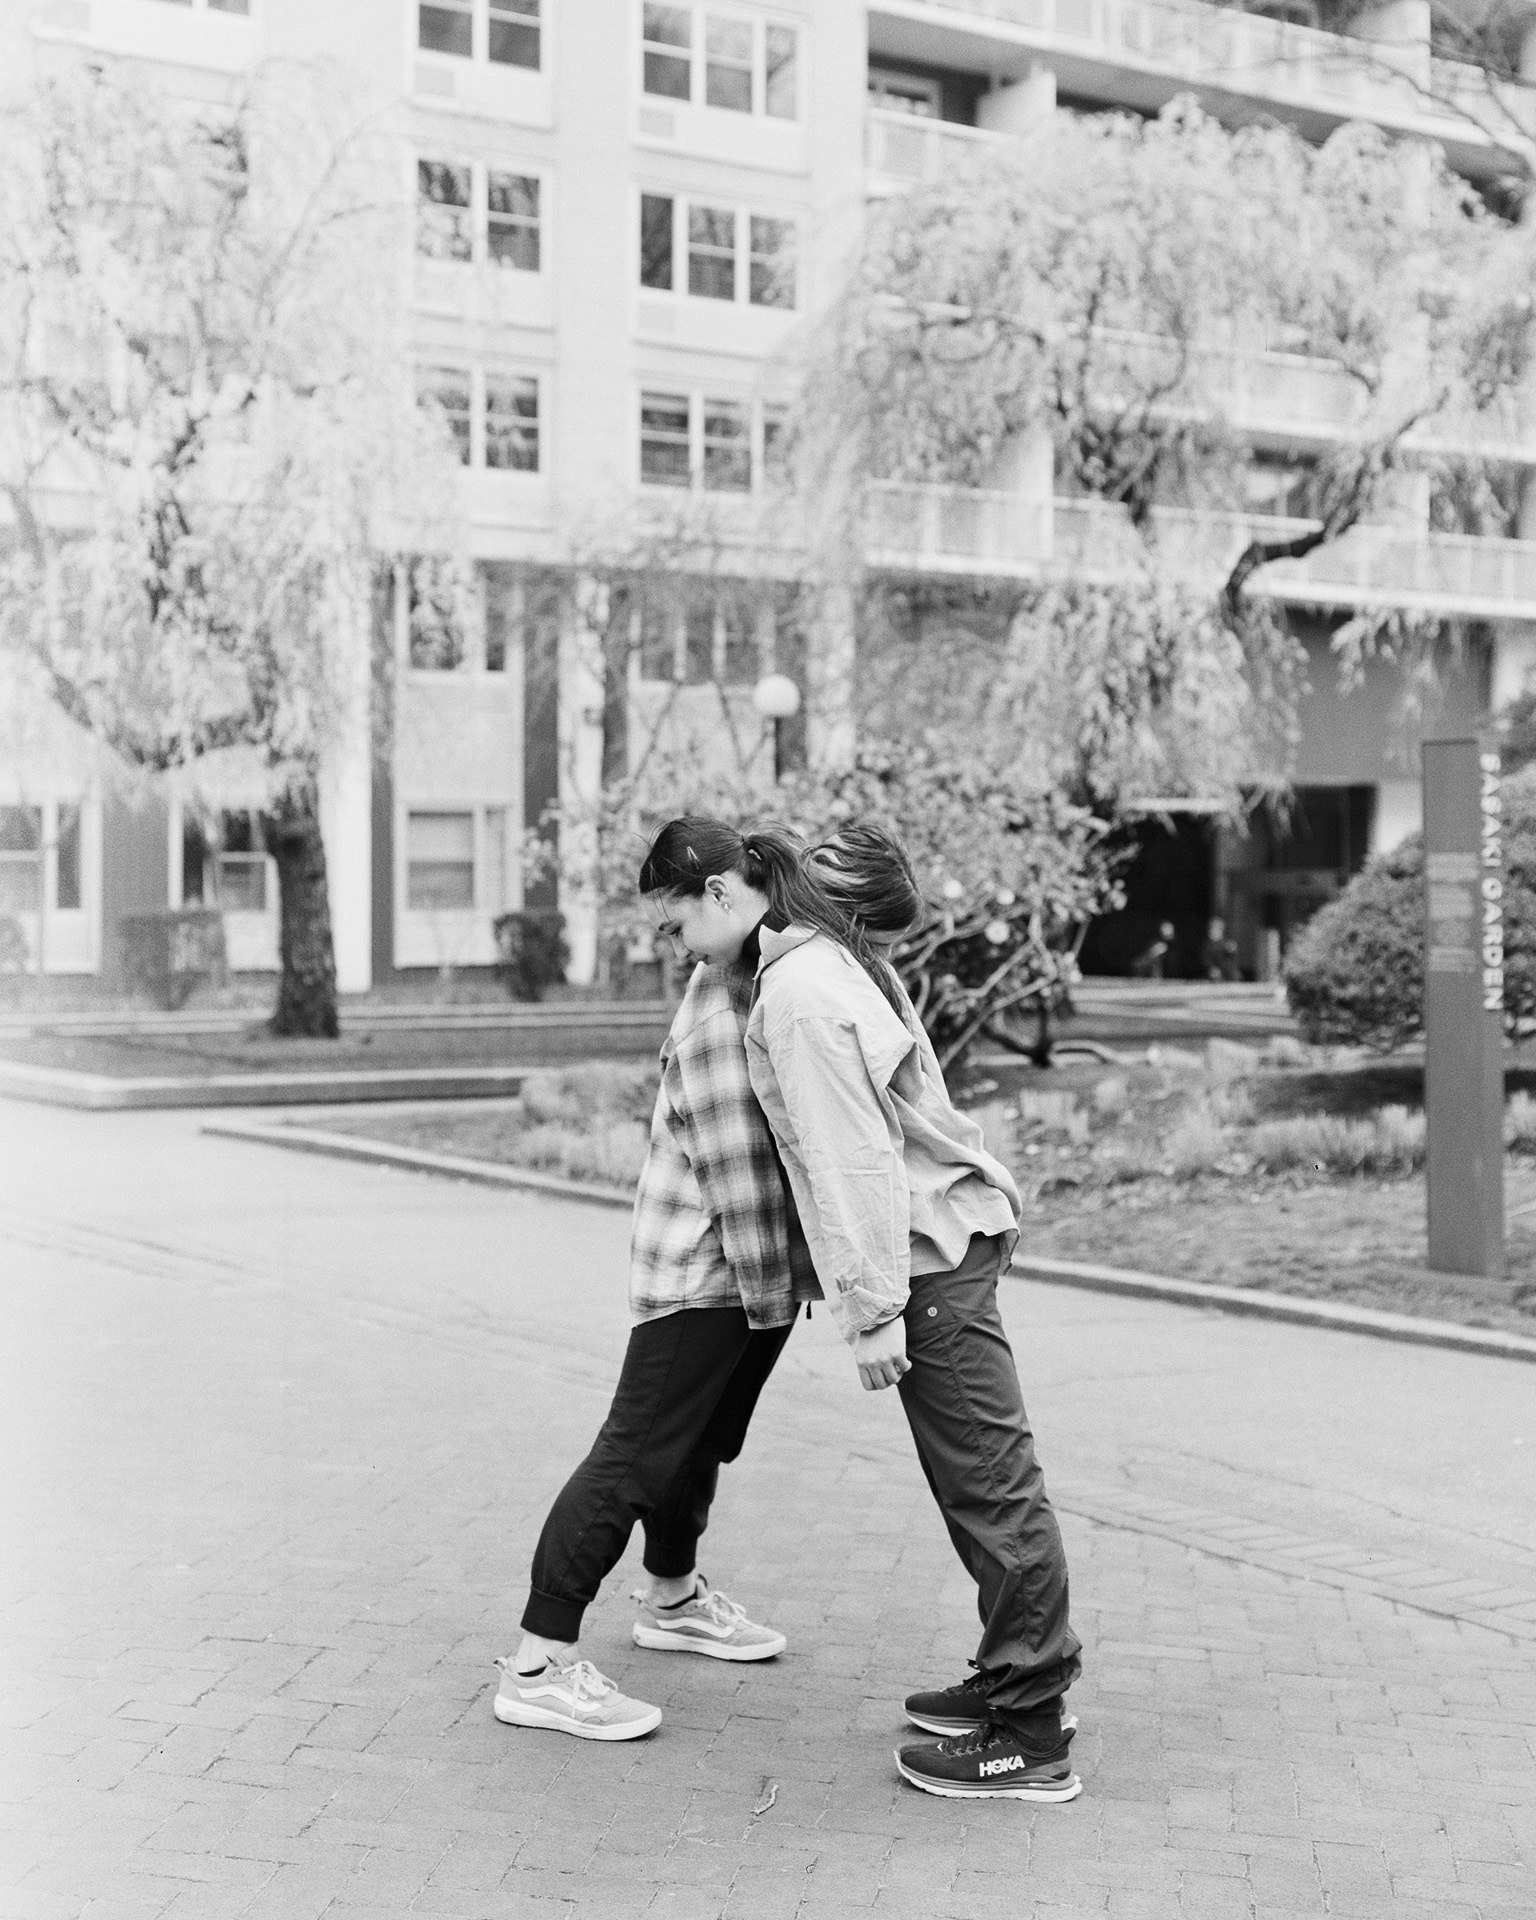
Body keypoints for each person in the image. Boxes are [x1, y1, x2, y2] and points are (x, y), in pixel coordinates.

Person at [639, 817, 1083, 1804]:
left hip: (927, 1260)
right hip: (940, 1248)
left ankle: (1031, 1732)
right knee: (982, 1483)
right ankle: (1014, 1679)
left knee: (993, 1489)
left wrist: (872, 1311)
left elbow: (851, 1159)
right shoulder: (834, 968)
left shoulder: (802, 989)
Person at [493, 822, 822, 1743]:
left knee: (693, 1445)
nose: (671, 946)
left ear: (722, 893)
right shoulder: (722, 1009)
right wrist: (780, 1296)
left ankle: (671, 1598)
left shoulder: (761, 980)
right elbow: (743, 1181)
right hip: (706, 1279)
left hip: (736, 1280)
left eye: (674, 925)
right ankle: (538, 1661)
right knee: (634, 1457)